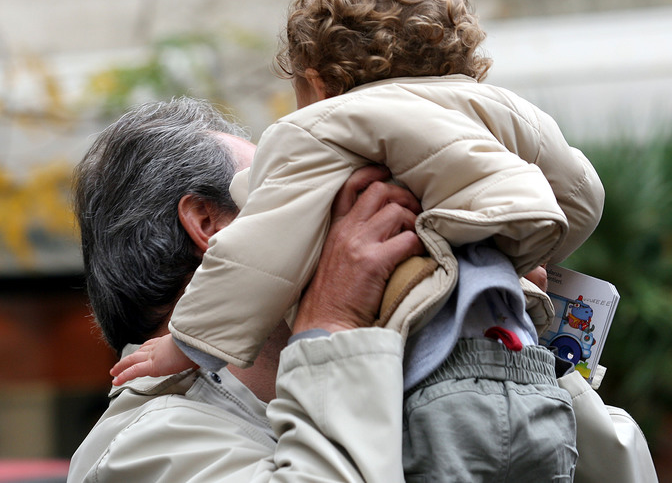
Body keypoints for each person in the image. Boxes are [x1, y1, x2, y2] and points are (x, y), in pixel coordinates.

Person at [111, 0, 606, 481]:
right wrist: (507, 246)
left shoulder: (317, 129)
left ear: (316, 83)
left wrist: (187, 344)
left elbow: (256, 256)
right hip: (524, 370)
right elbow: (581, 197)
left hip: (438, 385)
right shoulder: (503, 113)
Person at [67, 97, 424, 481]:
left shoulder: (253, 411)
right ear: (208, 223)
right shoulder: (149, 441)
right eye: (280, 195)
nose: (321, 209)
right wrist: (334, 322)